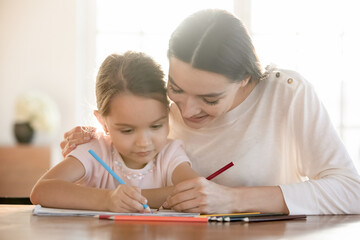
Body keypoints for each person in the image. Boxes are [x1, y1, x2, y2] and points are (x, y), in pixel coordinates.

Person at [60, 9, 360, 215]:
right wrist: (100, 135)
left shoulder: (287, 94)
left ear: (246, 78)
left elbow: (350, 192)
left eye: (210, 98)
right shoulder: (160, 105)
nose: (186, 110)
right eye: (175, 88)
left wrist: (232, 199)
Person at [30, 51, 199, 212]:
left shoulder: (169, 153)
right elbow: (42, 191)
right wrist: (107, 199)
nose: (143, 142)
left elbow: (196, 191)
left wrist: (132, 199)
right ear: (103, 122)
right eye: (127, 130)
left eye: (155, 126)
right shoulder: (95, 149)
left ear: (168, 114)